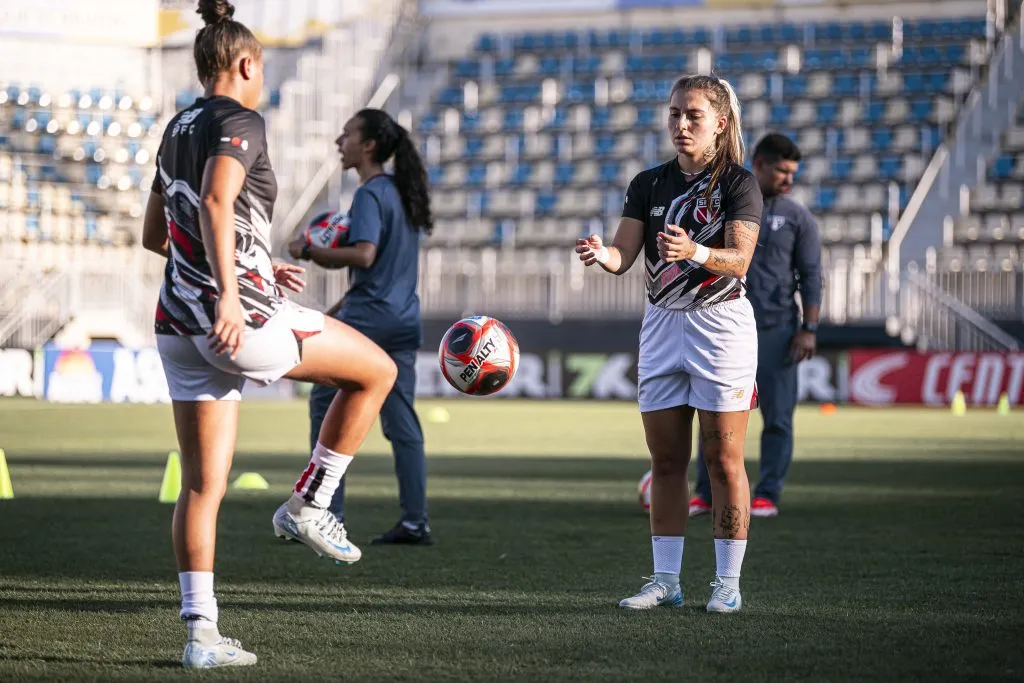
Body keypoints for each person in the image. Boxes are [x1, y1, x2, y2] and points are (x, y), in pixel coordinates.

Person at [141, 0, 397, 669]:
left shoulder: (175, 127)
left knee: (202, 486)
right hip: (236, 318)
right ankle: (309, 503)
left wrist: (251, 261)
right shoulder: (240, 118)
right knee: (375, 372)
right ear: (247, 64)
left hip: (177, 323)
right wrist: (232, 289)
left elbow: (155, 233)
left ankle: (201, 635)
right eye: (263, 68)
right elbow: (219, 200)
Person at [576, 74, 762, 613]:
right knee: (666, 462)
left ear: (719, 124)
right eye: (675, 113)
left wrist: (695, 253)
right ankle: (666, 580)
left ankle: (727, 583)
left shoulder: (738, 183)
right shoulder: (648, 182)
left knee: (723, 460)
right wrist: (600, 255)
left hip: (720, 324)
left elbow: (740, 260)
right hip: (661, 324)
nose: (681, 124)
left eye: (693, 116)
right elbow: (623, 256)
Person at [288, 108, 433, 545]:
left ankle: (323, 511)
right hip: (403, 320)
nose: (339, 140)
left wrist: (310, 250)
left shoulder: (370, 195)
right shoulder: (401, 192)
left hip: (370, 319)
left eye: (347, 133)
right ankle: (415, 521)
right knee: (402, 423)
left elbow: (365, 255)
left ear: (368, 145)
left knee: (323, 401)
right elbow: (384, 269)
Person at [689, 133, 823, 519]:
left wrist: (809, 328)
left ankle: (767, 493)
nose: (788, 179)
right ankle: (706, 492)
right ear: (759, 164)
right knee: (713, 412)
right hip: (724, 328)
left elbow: (812, 275)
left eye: (792, 172)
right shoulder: (728, 203)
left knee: (778, 417)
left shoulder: (798, 218)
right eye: (782, 170)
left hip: (777, 331)